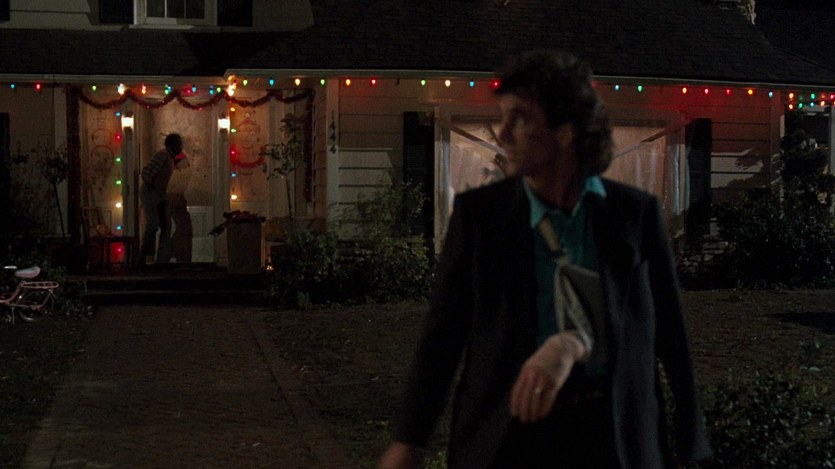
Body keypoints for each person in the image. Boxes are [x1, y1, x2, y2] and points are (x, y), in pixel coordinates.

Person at [378, 50, 712, 469]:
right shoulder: (482, 216)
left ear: (566, 131)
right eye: (503, 117)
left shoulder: (633, 215)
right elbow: (443, 335)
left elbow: (671, 333)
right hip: (509, 435)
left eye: (520, 118)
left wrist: (692, 439)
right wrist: (409, 441)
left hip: (611, 435)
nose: (503, 134)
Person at [138, 133, 186, 266]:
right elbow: (146, 172)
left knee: (166, 226)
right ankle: (142, 256)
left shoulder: (170, 157)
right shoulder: (163, 155)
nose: (181, 147)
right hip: (151, 193)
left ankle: (161, 260)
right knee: (153, 224)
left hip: (160, 195)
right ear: (172, 145)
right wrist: (153, 187)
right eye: (179, 144)